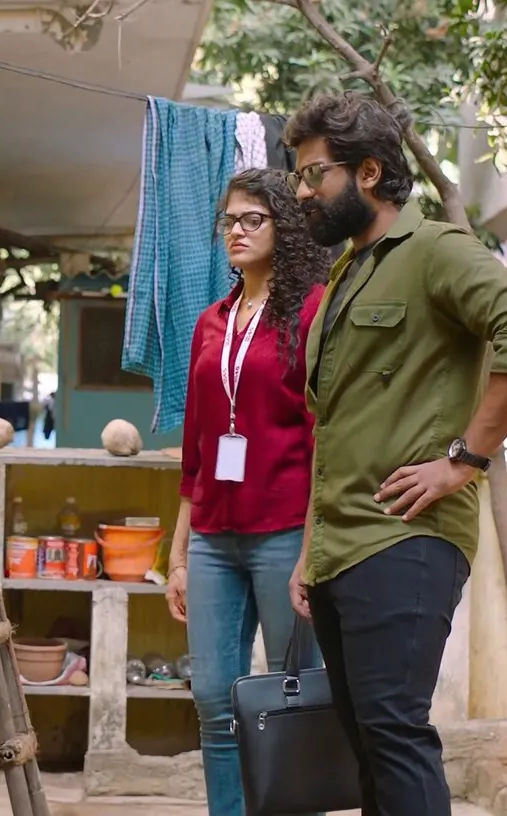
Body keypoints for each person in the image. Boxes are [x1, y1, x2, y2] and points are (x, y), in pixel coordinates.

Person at [282, 93, 507, 816]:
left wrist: (465, 459)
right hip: (340, 546)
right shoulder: (345, 275)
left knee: (394, 735)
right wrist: (311, 549)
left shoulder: (435, 249)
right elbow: (335, 427)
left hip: (405, 540)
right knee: (370, 747)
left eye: (314, 174)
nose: (302, 192)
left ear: (369, 172)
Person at [165, 167, 331, 815]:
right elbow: (196, 446)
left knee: (292, 698)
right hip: (212, 535)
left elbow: (323, 438)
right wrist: (178, 555)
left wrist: (311, 552)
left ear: (285, 227)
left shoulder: (313, 310)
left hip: (285, 532)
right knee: (213, 698)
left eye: (252, 219)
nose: (236, 230)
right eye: (229, 220)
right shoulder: (212, 321)